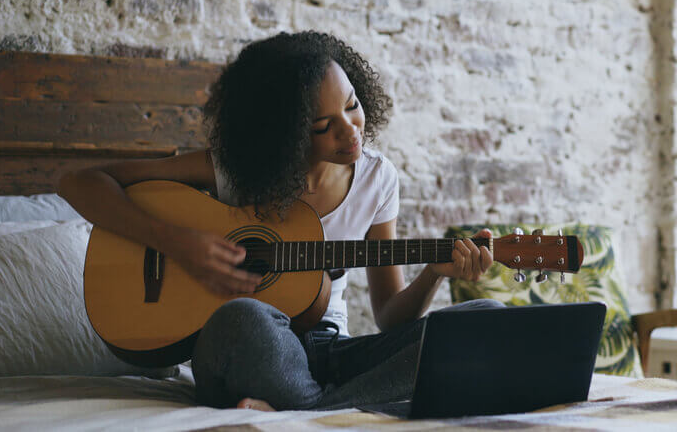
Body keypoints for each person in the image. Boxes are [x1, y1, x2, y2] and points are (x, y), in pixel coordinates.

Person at [58, 31, 501, 411]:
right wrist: (179, 245)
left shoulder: (376, 179)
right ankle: (336, 407)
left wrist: (433, 275)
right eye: (323, 125)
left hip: (330, 351)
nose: (351, 131)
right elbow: (80, 182)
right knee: (245, 318)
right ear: (283, 131)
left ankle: (301, 410)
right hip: (249, 350)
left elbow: (389, 318)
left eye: (352, 105)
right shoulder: (236, 173)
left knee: (486, 319)